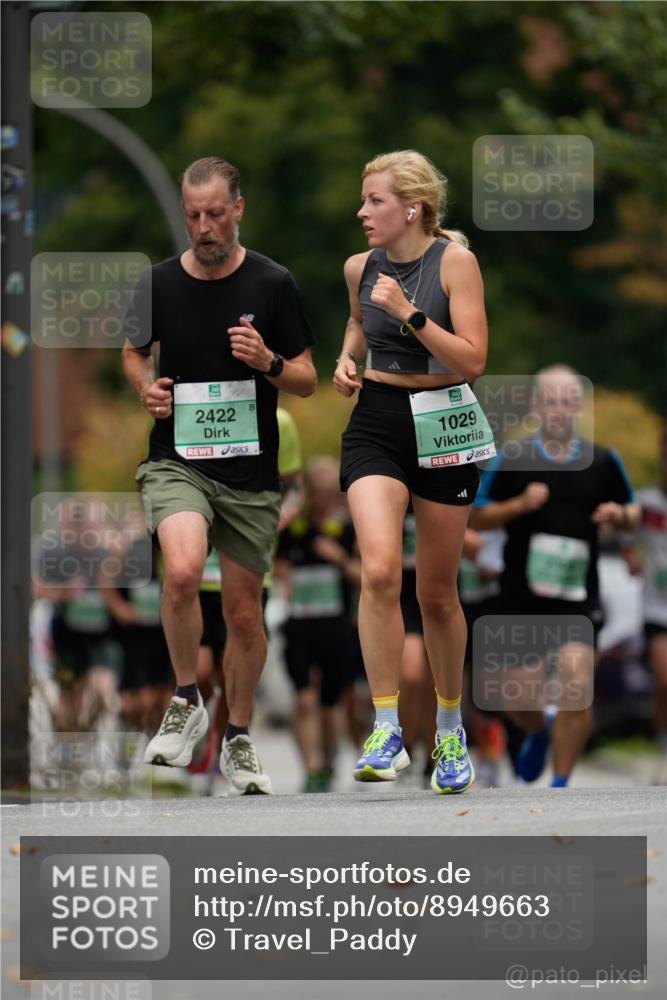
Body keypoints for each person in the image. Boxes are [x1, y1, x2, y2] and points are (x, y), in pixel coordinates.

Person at [122, 156, 316, 795]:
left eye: (214, 214)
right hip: (177, 462)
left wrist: (269, 360)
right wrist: (148, 389)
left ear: (238, 209)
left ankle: (237, 736)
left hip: (250, 475)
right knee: (180, 571)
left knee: (242, 616)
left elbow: (308, 381)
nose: (203, 227)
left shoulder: (273, 283)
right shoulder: (156, 283)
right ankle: (185, 699)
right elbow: (132, 351)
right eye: (192, 216)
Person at [334, 149, 494, 794]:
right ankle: (386, 725)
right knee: (376, 569)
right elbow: (355, 323)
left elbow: (474, 359)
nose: (362, 211)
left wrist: (409, 314)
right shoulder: (358, 266)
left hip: (443, 414)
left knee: (436, 593)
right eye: (363, 199)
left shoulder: (455, 262)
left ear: (412, 208)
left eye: (373, 200)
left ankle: (451, 731)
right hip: (376, 417)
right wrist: (348, 360)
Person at [470, 365, 639, 787]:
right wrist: (520, 505)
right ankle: (539, 730)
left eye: (568, 402)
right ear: (536, 406)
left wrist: (618, 515)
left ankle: (561, 785)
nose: (560, 410)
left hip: (578, 598)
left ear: (578, 407)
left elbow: (633, 510)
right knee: (518, 701)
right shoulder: (512, 457)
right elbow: (477, 516)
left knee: (577, 684)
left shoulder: (602, 460)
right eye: (552, 401)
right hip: (520, 599)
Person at [274, 455, 360, 792]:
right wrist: (287, 577)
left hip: (336, 626)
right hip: (300, 624)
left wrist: (338, 558)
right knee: (303, 698)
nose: (325, 495)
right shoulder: (295, 528)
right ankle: (310, 768)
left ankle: (326, 762)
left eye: (330, 489)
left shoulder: (347, 529)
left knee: (329, 702)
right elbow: (278, 567)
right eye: (319, 489)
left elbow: (365, 576)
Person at [621, 430, 667, 783]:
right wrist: (629, 557)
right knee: (664, 678)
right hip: (657, 607)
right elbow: (625, 536)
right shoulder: (647, 502)